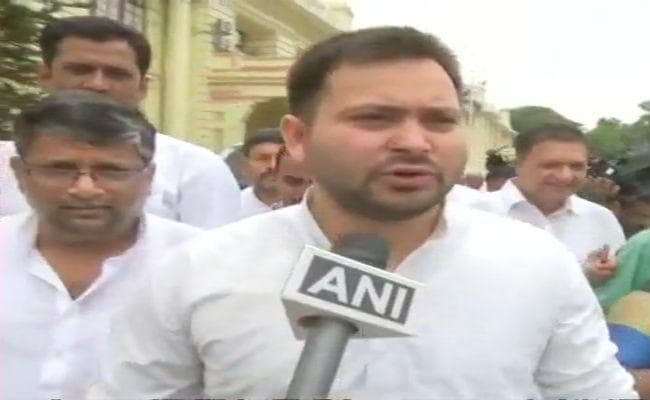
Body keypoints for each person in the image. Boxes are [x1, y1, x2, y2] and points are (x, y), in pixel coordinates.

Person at [88, 27, 635, 399]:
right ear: (298, 138)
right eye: (375, 118)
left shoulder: (537, 265)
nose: (414, 142)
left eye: (439, 121)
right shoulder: (198, 271)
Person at [0, 90, 201, 400]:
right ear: (19, 173)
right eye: (60, 168)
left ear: (148, 177)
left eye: (111, 170)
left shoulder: (202, 262)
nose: (85, 188)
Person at [0, 16, 240, 229]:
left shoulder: (195, 168)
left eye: (116, 74)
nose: (97, 84)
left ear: (142, 86)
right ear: (45, 76)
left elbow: (217, 256)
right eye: (80, 70)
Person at [475, 124, 625, 286]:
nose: (565, 176)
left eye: (576, 166)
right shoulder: (476, 213)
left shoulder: (601, 219)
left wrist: (595, 276)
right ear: (518, 164)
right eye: (551, 165)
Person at [239, 128, 284, 217]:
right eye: (263, 158)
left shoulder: (310, 207)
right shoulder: (230, 209)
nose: (273, 165)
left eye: (280, 158)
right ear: (245, 166)